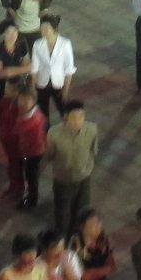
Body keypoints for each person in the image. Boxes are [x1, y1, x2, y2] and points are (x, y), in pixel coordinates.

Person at [45, 101, 98, 236]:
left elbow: (93, 150)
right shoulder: (54, 134)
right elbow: (50, 154)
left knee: (82, 210)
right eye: (74, 117)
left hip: (83, 178)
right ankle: (62, 238)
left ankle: (78, 237)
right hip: (63, 180)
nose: (78, 121)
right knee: (62, 213)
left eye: (81, 116)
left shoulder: (92, 130)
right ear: (65, 117)